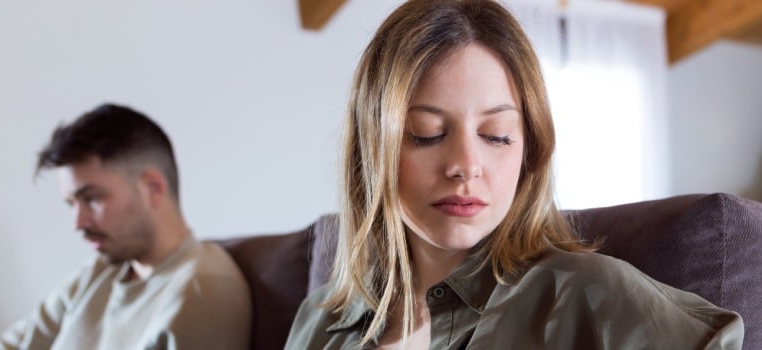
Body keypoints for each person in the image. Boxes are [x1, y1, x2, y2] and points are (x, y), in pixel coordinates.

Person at [285, 1, 744, 349]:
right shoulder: (319, 321)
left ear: (530, 148)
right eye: (426, 134)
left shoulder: (591, 294)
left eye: (497, 135)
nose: (466, 165)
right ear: (372, 149)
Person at [0, 104, 251, 349]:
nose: (78, 224)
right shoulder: (101, 272)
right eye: (72, 204)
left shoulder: (201, 291)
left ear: (152, 188)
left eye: (92, 199)